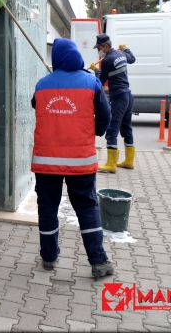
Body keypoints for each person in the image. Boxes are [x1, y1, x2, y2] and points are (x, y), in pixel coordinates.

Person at [31, 38, 114, 278]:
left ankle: (48, 257)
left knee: (47, 208)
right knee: (87, 209)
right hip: (81, 161)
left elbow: (35, 104)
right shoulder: (91, 82)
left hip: (47, 162)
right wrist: (96, 130)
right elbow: (105, 117)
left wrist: (51, 83)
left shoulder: (42, 85)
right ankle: (98, 261)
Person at [89, 33, 136, 173]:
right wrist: (126, 48)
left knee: (111, 129)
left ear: (106, 46)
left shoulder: (107, 60)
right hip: (128, 95)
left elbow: (101, 82)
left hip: (119, 97)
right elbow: (132, 59)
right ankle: (129, 161)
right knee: (126, 127)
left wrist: (95, 70)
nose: (99, 50)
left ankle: (111, 164)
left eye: (100, 47)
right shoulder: (121, 54)